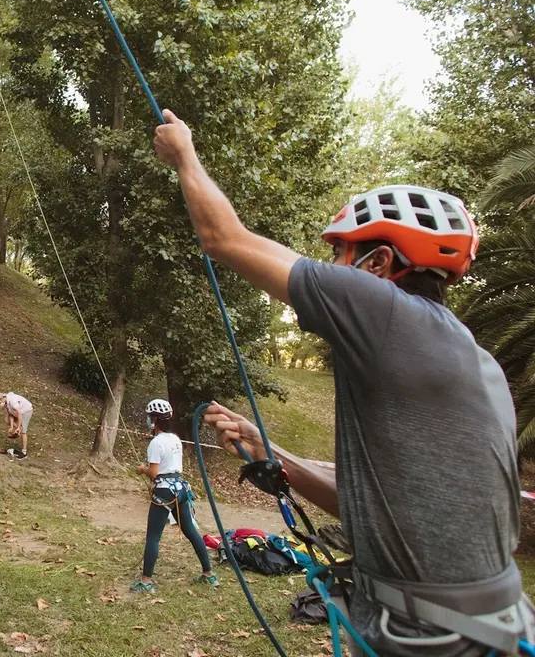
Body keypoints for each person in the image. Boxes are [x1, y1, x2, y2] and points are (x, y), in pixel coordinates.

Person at [154, 109, 530, 655]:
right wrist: (272, 454)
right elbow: (373, 514)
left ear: (378, 263)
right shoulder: (472, 360)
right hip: (473, 628)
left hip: (431, 638)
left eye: (337, 254)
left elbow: (223, 239)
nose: (328, 266)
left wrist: (185, 154)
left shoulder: (385, 310)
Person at [131, 399, 217, 595]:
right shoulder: (175, 439)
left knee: (153, 537)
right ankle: (208, 574)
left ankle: (146, 582)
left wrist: (142, 470)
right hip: (180, 490)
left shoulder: (156, 442)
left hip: (164, 492)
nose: (148, 420)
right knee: (191, 532)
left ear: (155, 419)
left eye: (149, 417)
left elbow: (154, 473)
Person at [0, 391, 32, 460]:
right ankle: (19, 430)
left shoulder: (12, 401)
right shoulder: (6, 403)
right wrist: (11, 427)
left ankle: (24, 452)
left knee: (23, 432)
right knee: (7, 420)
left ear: (2, 398)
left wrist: (18, 427)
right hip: (17, 412)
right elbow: (10, 415)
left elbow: (19, 413)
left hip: (26, 411)